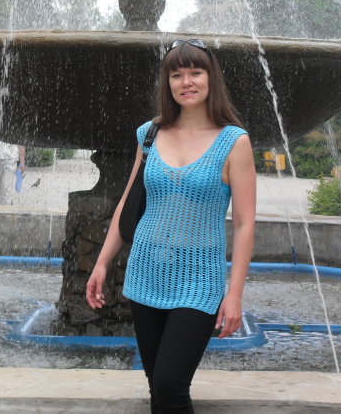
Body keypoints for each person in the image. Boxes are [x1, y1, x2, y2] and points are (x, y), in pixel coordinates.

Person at [86, 39, 256, 413]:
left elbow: (245, 224)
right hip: (145, 274)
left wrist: (235, 294)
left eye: (195, 72)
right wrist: (101, 263)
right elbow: (127, 204)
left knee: (170, 385)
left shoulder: (233, 141)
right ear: (167, 83)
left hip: (200, 280)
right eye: (176, 75)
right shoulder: (149, 133)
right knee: (157, 388)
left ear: (211, 78)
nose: (186, 82)